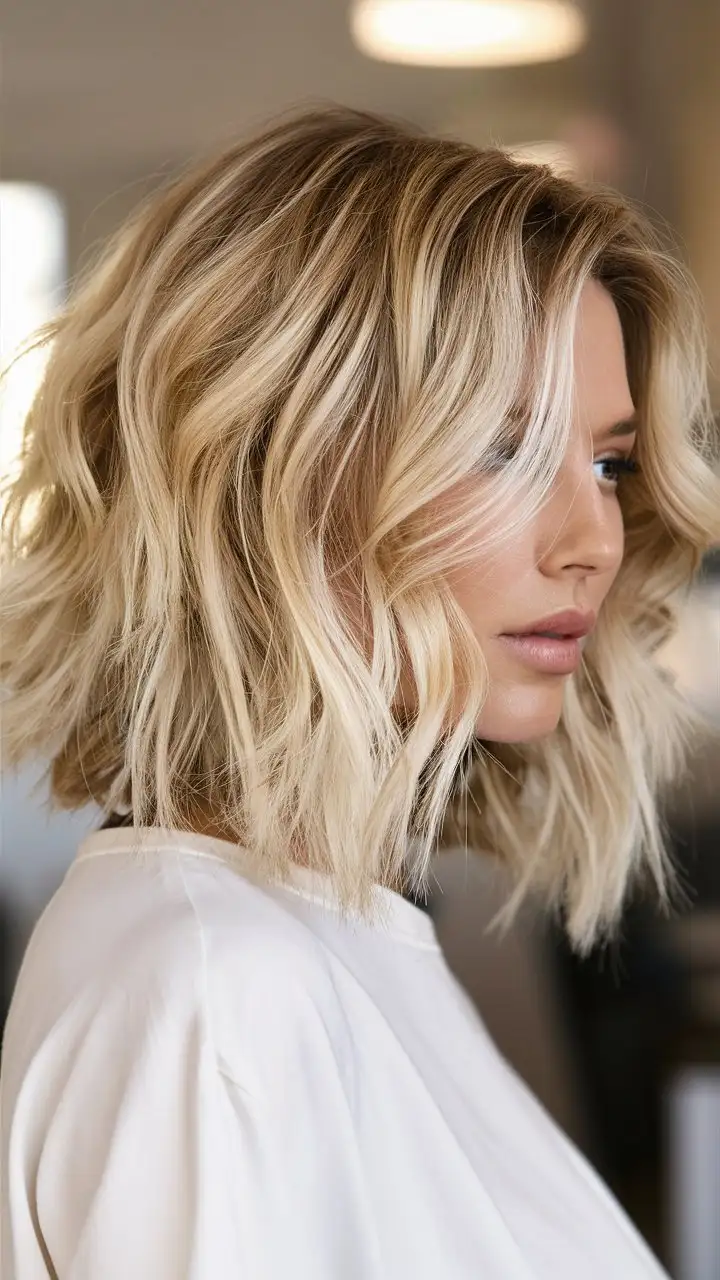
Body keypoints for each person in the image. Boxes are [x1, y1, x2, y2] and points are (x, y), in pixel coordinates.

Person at [0, 102, 718, 1280]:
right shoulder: (218, 990)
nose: (594, 535)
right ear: (262, 469)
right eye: (504, 447)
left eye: (607, 461)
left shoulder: (314, 934)